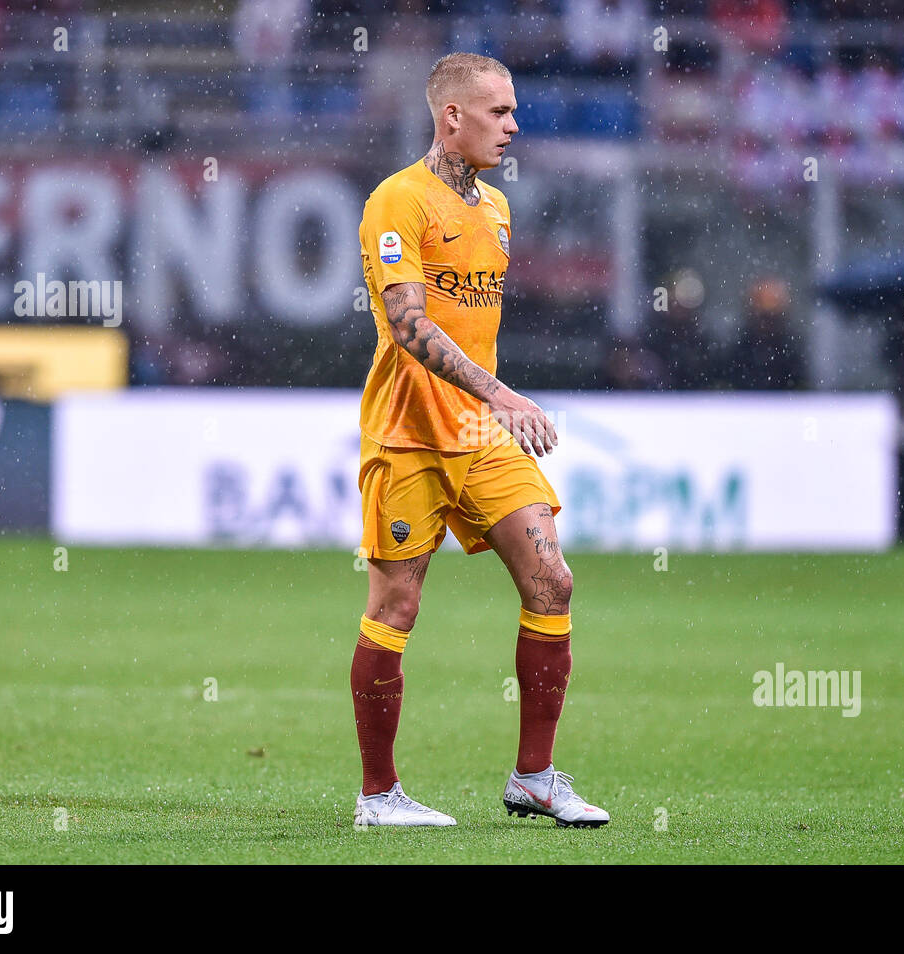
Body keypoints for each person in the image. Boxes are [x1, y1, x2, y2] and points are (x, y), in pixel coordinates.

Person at [351, 52, 608, 829]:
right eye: (498, 112)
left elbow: (469, 321)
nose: (513, 125)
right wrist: (500, 392)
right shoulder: (399, 201)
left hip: (479, 433)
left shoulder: (496, 208)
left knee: (552, 582)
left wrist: (491, 400)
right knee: (396, 605)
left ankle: (534, 777)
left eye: (514, 110)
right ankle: (378, 797)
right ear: (451, 116)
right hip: (409, 436)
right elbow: (407, 325)